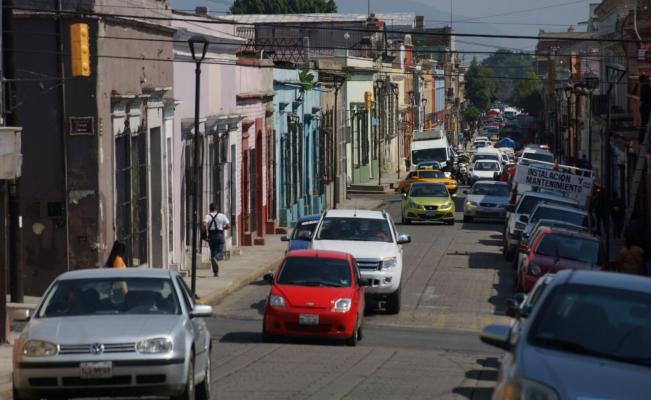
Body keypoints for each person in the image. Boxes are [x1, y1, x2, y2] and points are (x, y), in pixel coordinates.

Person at [202, 203, 230, 277]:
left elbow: (204, 224)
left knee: (213, 253)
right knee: (220, 253)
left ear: (210, 209)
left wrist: (205, 230)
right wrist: (223, 228)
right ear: (217, 209)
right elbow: (228, 225)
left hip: (211, 236)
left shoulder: (208, 216)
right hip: (220, 235)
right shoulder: (222, 216)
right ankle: (216, 259)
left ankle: (215, 272)